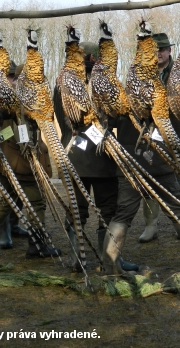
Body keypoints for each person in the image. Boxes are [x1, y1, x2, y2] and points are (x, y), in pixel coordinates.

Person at [53, 41, 138, 272]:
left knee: (82, 210)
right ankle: (106, 261)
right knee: (103, 210)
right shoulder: (94, 84)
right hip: (99, 156)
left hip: (76, 156)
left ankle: (87, 260)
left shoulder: (62, 82)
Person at [0, 62, 60, 258]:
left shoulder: (4, 95)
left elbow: (4, 132)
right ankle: (37, 247)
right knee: (36, 202)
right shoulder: (17, 97)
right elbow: (11, 131)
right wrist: (28, 154)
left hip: (7, 159)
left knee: (5, 201)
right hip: (19, 161)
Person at [103, 113, 180, 273]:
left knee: (122, 215)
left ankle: (110, 268)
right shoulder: (163, 92)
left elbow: (107, 123)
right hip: (159, 161)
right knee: (179, 214)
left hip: (132, 162)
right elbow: (179, 127)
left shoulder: (124, 93)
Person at [138, 33, 180, 243]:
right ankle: (151, 226)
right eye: (154, 50)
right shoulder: (142, 74)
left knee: (179, 181)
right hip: (150, 137)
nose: (158, 54)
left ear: (170, 50)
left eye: (162, 49)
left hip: (177, 134)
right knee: (149, 181)